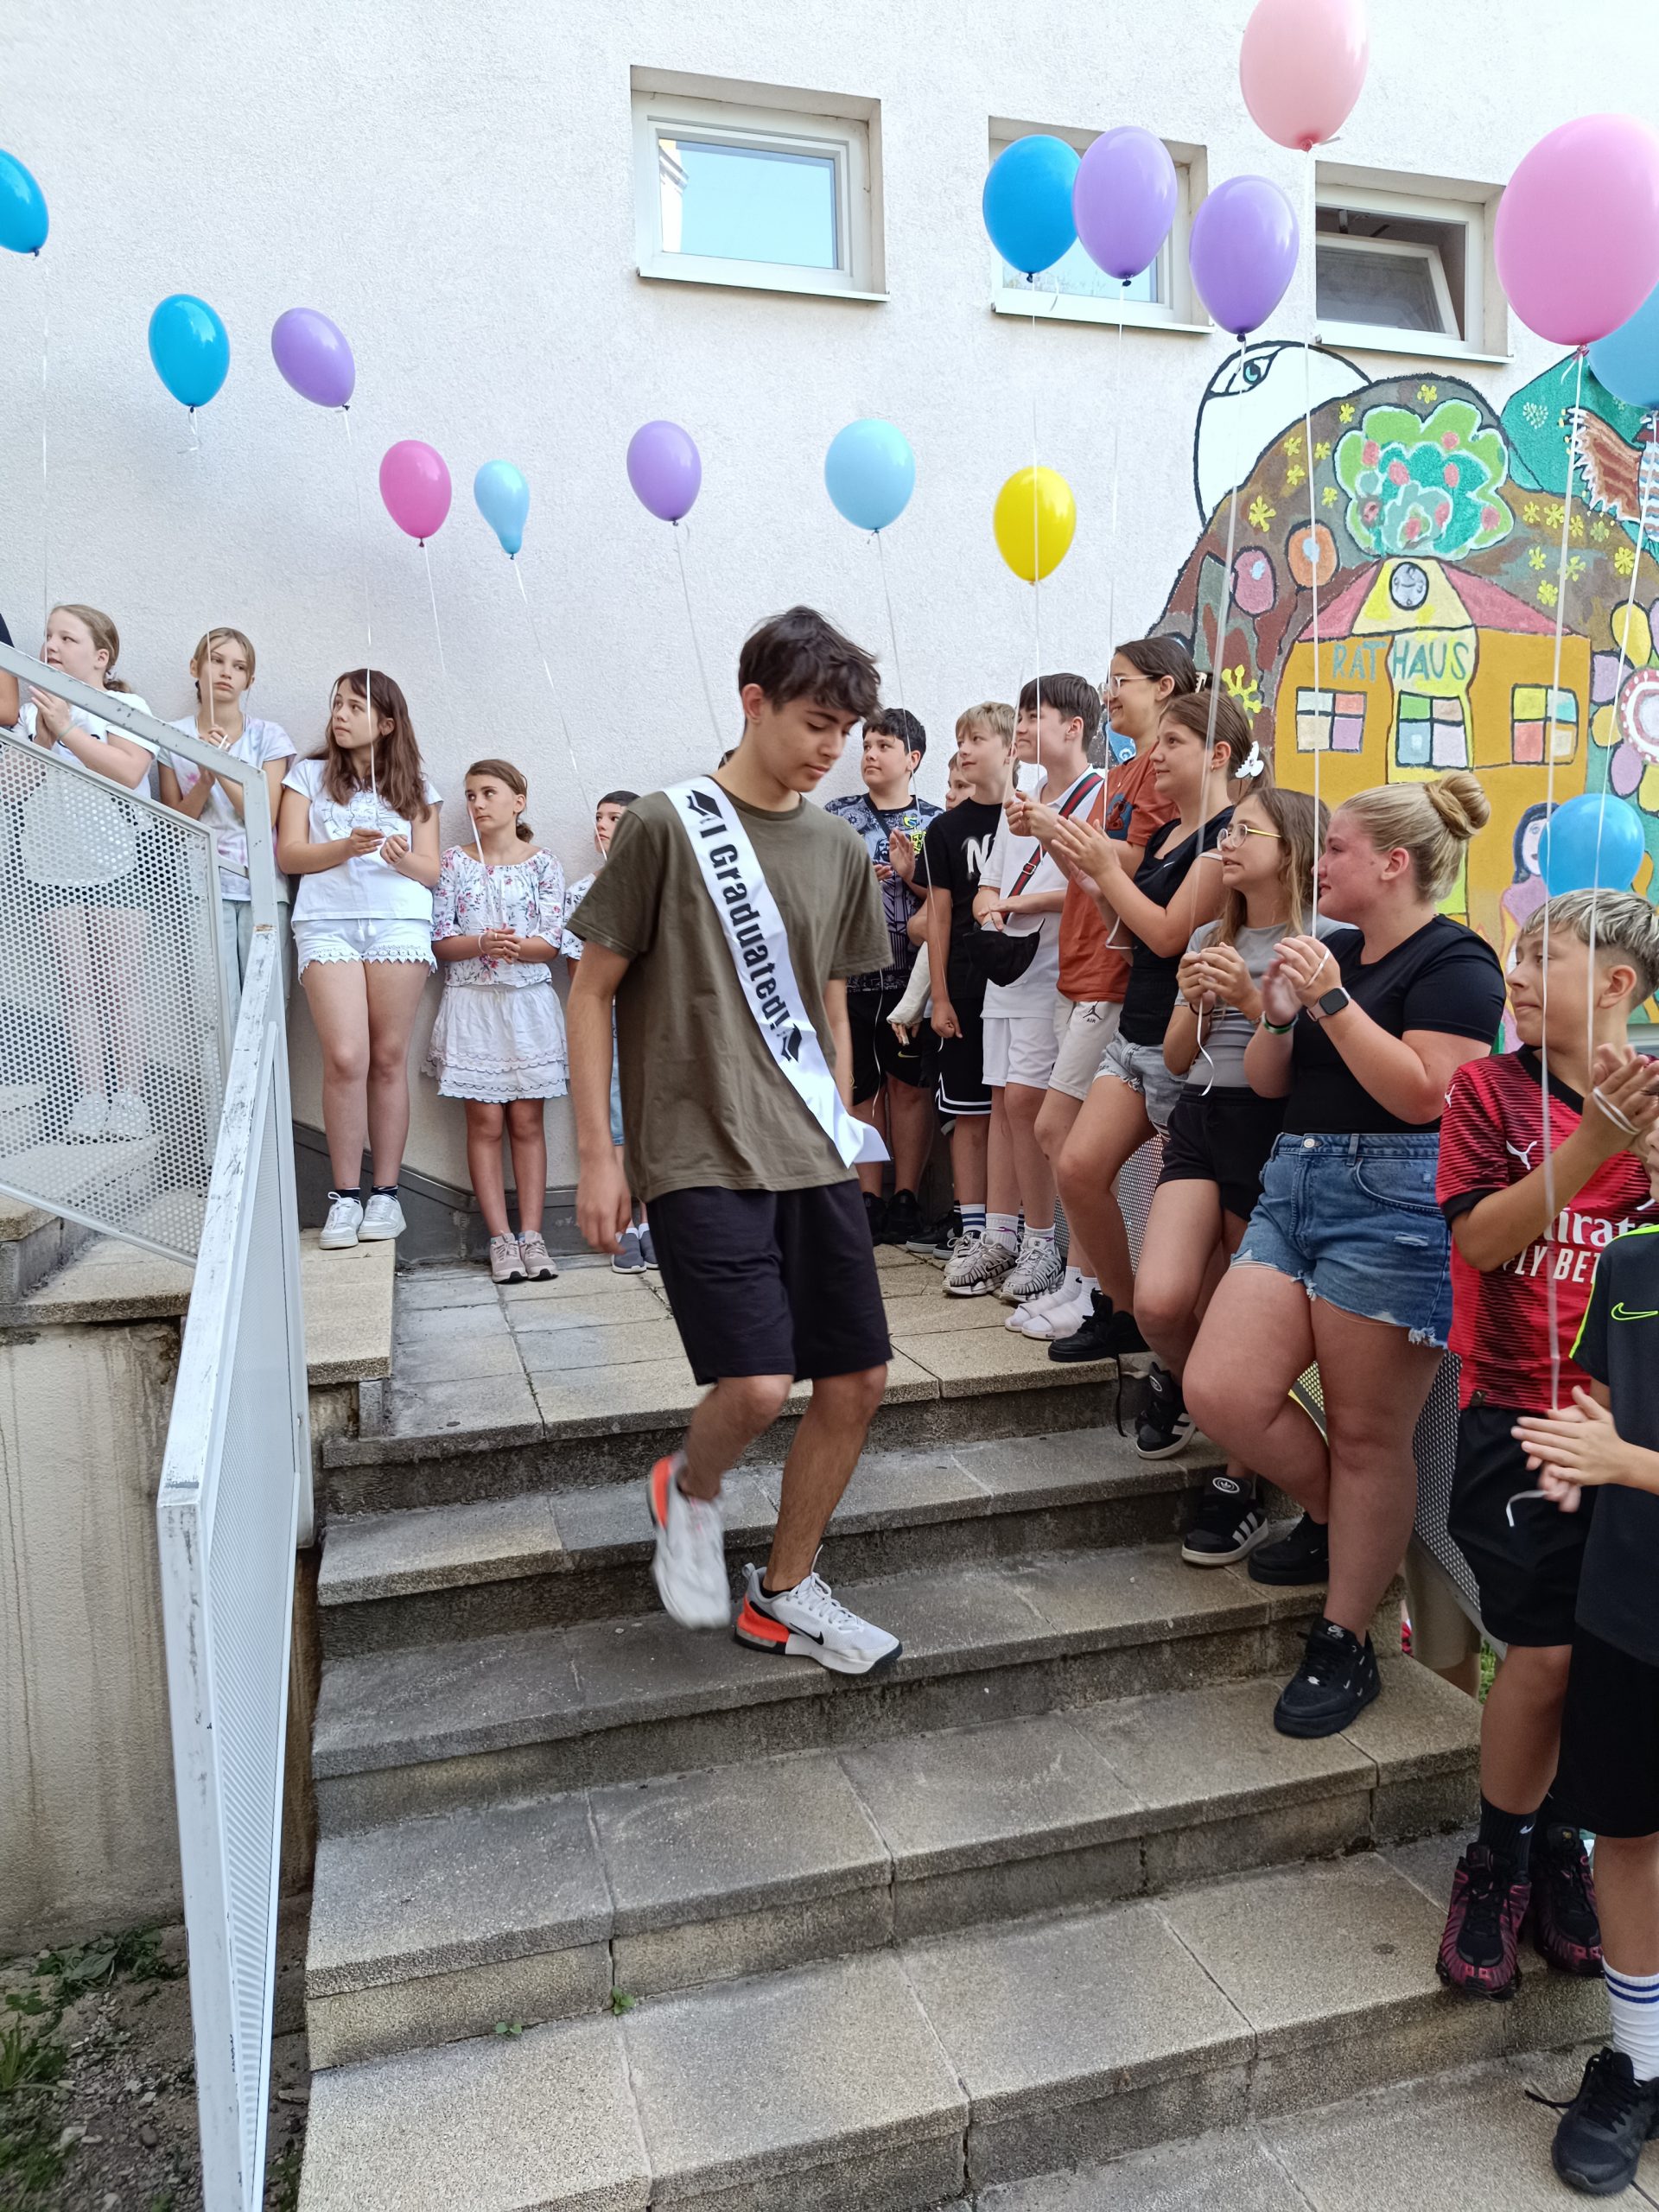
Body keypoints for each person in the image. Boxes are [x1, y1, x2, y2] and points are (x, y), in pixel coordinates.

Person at [566, 605, 900, 1674]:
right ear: (754, 702)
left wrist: (845, 1122)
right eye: (814, 723)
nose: (829, 748)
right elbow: (590, 990)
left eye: (845, 731)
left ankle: (787, 1590)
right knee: (756, 1383)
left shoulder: (839, 845)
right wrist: (598, 1154)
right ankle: (691, 1486)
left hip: (808, 1145)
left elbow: (832, 1004)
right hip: (694, 1147)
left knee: (858, 1379)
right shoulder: (668, 825)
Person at [1183, 773, 1505, 1736]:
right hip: (1297, 1179)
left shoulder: (1458, 960)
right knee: (1222, 1389)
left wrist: (1328, 1001)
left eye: (1339, 849)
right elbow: (1270, 1079)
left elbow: (1426, 1095)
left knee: (1369, 1436)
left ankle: (1346, 1635)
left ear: (1395, 863)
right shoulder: (1343, 950)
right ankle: (1342, 1524)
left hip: (1394, 1198)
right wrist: (1279, 1012)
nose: (1321, 863)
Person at [1433, 892, 1659, 2001]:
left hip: (1634, 1431)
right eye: (1514, 956)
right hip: (1519, 1410)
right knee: (1548, 1651)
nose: (1513, 977)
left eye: (1542, 957)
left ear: (1617, 985)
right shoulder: (1486, 1090)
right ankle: (1498, 1857)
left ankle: (1570, 1842)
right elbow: (1482, 1239)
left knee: (1613, 1658)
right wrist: (1596, 1146)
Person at [1510, 1134, 1659, 2196]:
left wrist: (1626, 1463)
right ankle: (1638, 2061)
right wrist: (1579, 1452)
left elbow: (1627, 1451)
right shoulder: (1630, 1259)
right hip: (1625, 1610)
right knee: (1628, 1830)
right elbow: (1605, 1406)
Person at [1138, 785, 1341, 1560]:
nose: (1226, 842)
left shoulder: (1324, 938)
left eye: (1243, 832)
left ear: (1291, 849)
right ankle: (1195, 1389)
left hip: (1272, 1127)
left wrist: (1255, 1000)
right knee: (1160, 1303)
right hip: (1201, 1116)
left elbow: (1315, 1062)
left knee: (1238, 1312)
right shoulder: (1206, 936)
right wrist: (1195, 1001)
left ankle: (1239, 1478)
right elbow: (1175, 1059)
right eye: (1227, 832)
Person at [1046, 688, 1248, 1361]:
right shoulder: (1167, 835)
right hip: (1135, 1034)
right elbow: (1136, 943)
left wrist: (1107, 873)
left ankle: (1188, 1367)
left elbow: (1167, 935)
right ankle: (1126, 1311)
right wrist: (1100, 887)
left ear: (1218, 755)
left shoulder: (1227, 838)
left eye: (1172, 743)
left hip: (1183, 1046)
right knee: (1077, 1168)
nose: (1153, 756)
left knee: (1194, 1236)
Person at [1007, 639, 1191, 1343]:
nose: (1109, 693)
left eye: (1121, 681)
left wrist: (1055, 828)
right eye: (1106, 681)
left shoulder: (1157, 782)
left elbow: (1139, 869)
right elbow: (1094, 874)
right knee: (1065, 1139)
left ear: (1165, 687)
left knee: (1061, 1133)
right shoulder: (1122, 773)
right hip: (1087, 967)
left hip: (1117, 979)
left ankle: (1096, 1290)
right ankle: (1093, 1289)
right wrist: (1051, 832)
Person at [947, 674, 1103, 1303]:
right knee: (1002, 1101)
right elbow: (989, 880)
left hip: (1056, 972)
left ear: (1074, 726)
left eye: (1035, 716)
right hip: (1006, 969)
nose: (1024, 727)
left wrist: (1013, 904)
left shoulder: (1098, 795)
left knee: (1029, 1105)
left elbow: (1092, 885)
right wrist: (990, 908)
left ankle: (1042, 1242)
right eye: (1021, 715)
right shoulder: (1024, 797)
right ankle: (1000, 1235)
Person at [278, 670, 441, 1251]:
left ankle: (387, 1197)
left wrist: (400, 860)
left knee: (389, 1058)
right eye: (337, 704)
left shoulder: (417, 786)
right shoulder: (307, 776)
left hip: (398, 921)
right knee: (346, 1057)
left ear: (387, 723)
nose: (340, 715)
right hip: (327, 923)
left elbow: (432, 871)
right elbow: (289, 855)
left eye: (354, 706)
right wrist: (345, 848)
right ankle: (344, 1197)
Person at [12, 605, 158, 1140]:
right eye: (48, 635)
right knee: (76, 987)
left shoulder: (126, 706)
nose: (51, 645)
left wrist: (68, 728)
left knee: (120, 985)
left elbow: (129, 770)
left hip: (120, 865)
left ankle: (131, 1097)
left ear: (100, 657)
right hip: (54, 867)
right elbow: (13, 787)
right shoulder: (32, 712)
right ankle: (92, 1095)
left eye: (66, 638)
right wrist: (45, 735)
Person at [429, 760, 569, 1285]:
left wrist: (516, 948)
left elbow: (551, 941)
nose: (478, 803)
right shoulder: (453, 862)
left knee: (528, 1123)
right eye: (470, 795)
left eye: (488, 792)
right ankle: (500, 1240)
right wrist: (482, 943)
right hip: (473, 1004)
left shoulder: (544, 864)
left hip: (528, 1005)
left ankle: (532, 1235)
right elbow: (441, 940)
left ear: (518, 801)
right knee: (484, 1124)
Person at [826, 707, 942, 1247]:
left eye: (883, 746)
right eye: (866, 745)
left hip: (911, 980)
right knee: (860, 1086)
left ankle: (906, 1197)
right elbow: (816, 891)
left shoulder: (934, 822)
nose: (870, 755)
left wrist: (908, 875)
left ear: (912, 758)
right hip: (850, 979)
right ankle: (867, 1196)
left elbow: (946, 900)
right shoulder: (837, 816)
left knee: (909, 1088)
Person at [157, 627, 296, 1027]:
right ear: (195, 667)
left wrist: (221, 766)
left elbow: (265, 817)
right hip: (200, 886)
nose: (226, 672)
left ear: (249, 680)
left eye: (238, 666)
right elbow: (173, 826)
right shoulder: (172, 736)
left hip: (263, 886)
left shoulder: (268, 737)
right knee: (214, 1013)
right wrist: (203, 780)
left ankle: (268, 1076)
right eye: (216, 660)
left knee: (266, 1010)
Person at [924, 704, 1014, 1272]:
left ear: (1010, 748)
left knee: (1017, 1111)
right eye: (960, 739)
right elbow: (937, 917)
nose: (963, 749)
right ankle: (973, 1227)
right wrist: (939, 995)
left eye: (976, 738)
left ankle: (1016, 1231)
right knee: (968, 1112)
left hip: (1022, 986)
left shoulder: (1030, 816)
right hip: (963, 986)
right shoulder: (945, 829)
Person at [563, 790, 651, 1271]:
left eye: (615, 817)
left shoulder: (657, 887)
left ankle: (651, 1219)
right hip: (609, 1022)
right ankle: (623, 1225)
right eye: (598, 816)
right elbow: (582, 981)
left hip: (650, 1022)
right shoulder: (583, 892)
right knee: (614, 1119)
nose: (602, 824)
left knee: (650, 1118)